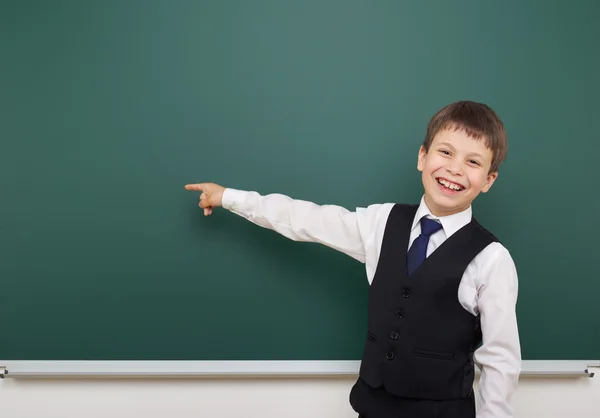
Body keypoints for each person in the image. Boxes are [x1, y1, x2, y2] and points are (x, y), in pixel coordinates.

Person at [185, 100, 521, 418]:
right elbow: (306, 219)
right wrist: (228, 197)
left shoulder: (491, 259)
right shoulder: (381, 221)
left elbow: (500, 361)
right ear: (422, 156)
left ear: (489, 179)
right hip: (372, 406)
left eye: (473, 162)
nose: (454, 168)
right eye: (445, 152)